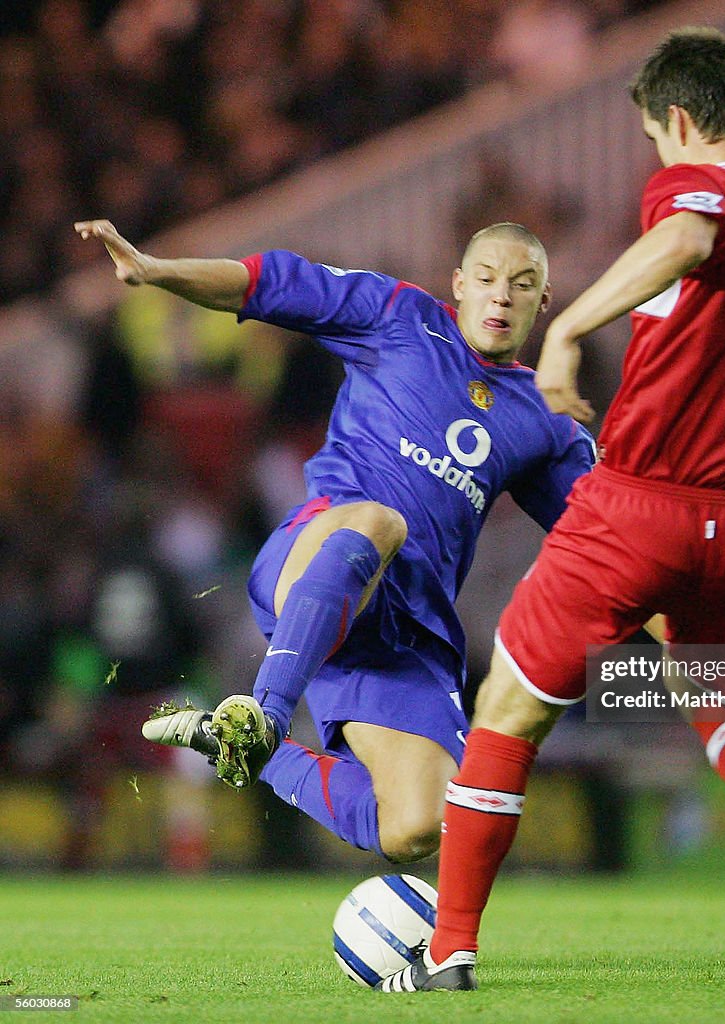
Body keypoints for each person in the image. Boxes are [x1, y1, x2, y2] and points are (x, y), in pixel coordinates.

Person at [380, 27, 725, 992]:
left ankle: (449, 950)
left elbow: (687, 235)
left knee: (506, 710)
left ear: (677, 120)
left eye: (653, 138)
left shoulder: (696, 191)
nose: (657, 160)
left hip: (636, 506)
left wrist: (571, 330)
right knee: (717, 689)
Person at [74, 217, 596, 864]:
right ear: (458, 284)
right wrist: (155, 269)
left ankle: (245, 748)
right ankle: (266, 710)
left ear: (543, 301)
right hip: (317, 557)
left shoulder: (547, 424)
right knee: (380, 520)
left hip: (405, 629)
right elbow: (265, 283)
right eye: (486, 279)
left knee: (415, 826)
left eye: (522, 285)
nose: (501, 296)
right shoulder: (397, 315)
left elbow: (610, 539)